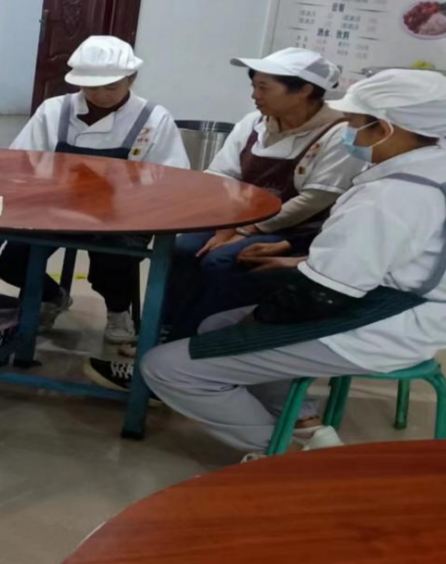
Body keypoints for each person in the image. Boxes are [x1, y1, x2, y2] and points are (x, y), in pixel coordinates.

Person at [91, 69, 446, 459]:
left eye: (355, 123)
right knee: (214, 323)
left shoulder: (389, 196)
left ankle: (279, 453)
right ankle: (305, 424)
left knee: (165, 367)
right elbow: (395, 257)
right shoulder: (430, 172)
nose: (350, 132)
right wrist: (296, 261)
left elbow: (319, 296)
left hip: (377, 326)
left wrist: (256, 321)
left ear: (385, 129)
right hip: (409, 308)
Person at [0, 35, 190, 344]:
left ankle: (119, 311)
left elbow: (171, 178)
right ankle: (52, 296)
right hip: (54, 210)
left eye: (111, 87)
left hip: (122, 215)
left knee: (114, 261)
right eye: (91, 87)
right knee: (13, 262)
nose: (100, 95)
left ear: (131, 79)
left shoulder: (153, 119)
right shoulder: (55, 111)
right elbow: (19, 163)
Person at [160, 47, 364, 342]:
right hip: (235, 220)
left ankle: (198, 337)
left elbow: (314, 199)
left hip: (295, 232)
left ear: (305, 90)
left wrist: (246, 231)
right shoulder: (252, 123)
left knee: (221, 260)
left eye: (264, 88)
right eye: (254, 86)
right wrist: (224, 226)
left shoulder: (338, 133)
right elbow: (221, 176)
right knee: (181, 249)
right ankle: (164, 325)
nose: (255, 95)